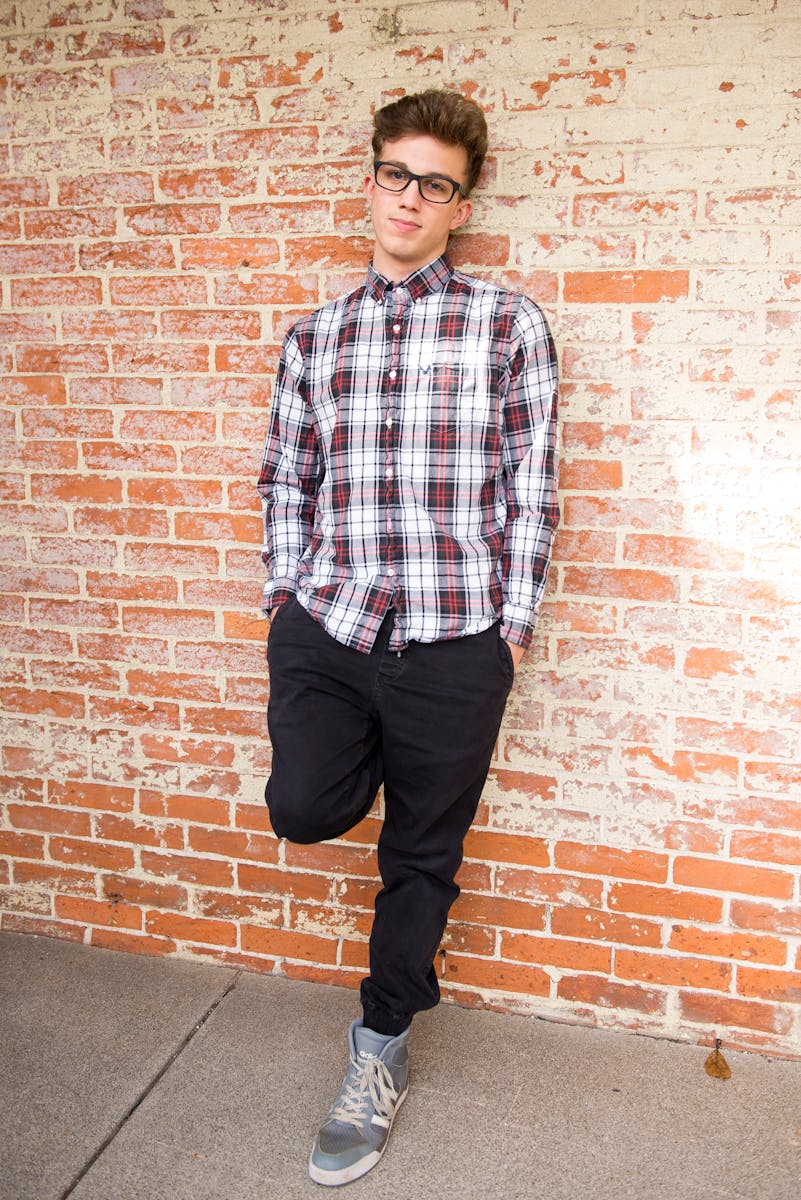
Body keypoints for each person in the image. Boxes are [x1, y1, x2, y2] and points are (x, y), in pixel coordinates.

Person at [257, 88, 559, 1187]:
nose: (411, 196)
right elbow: (287, 479)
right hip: (330, 627)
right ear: (371, 178)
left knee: (420, 858)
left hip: (454, 638)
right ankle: (368, 738)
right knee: (304, 805)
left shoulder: (507, 323)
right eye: (398, 173)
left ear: (459, 206)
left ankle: (376, 1050)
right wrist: (284, 598)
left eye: (436, 183)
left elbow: (533, 487)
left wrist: (510, 630)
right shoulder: (315, 336)